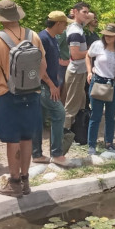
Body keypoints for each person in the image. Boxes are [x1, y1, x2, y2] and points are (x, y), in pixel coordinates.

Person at [0, 0, 47, 197]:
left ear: (1, 19)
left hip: (8, 95)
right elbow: (43, 66)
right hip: (32, 93)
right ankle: (26, 180)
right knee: (27, 138)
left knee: (13, 140)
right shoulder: (33, 36)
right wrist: (34, 83)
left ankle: (14, 182)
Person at [86, 23, 115, 155]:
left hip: (114, 84)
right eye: (105, 35)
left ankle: (109, 142)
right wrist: (89, 72)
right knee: (96, 115)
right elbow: (88, 56)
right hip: (98, 82)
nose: (107, 37)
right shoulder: (97, 45)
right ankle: (91, 145)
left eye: (110, 36)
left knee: (111, 116)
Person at [37, 11, 72, 165]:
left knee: (39, 119)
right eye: (64, 24)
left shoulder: (54, 38)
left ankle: (36, 154)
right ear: (58, 23)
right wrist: (52, 85)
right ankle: (57, 154)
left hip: (51, 84)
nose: (65, 27)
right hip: (44, 86)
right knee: (59, 113)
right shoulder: (42, 38)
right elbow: (39, 65)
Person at [63, 2, 92, 130]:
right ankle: (64, 134)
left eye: (87, 12)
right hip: (75, 72)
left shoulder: (78, 26)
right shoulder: (75, 30)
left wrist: (76, 14)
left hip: (80, 71)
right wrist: (92, 51)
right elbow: (75, 55)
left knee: (80, 103)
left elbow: (91, 16)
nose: (87, 15)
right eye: (84, 12)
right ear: (75, 12)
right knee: (71, 105)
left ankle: (76, 133)